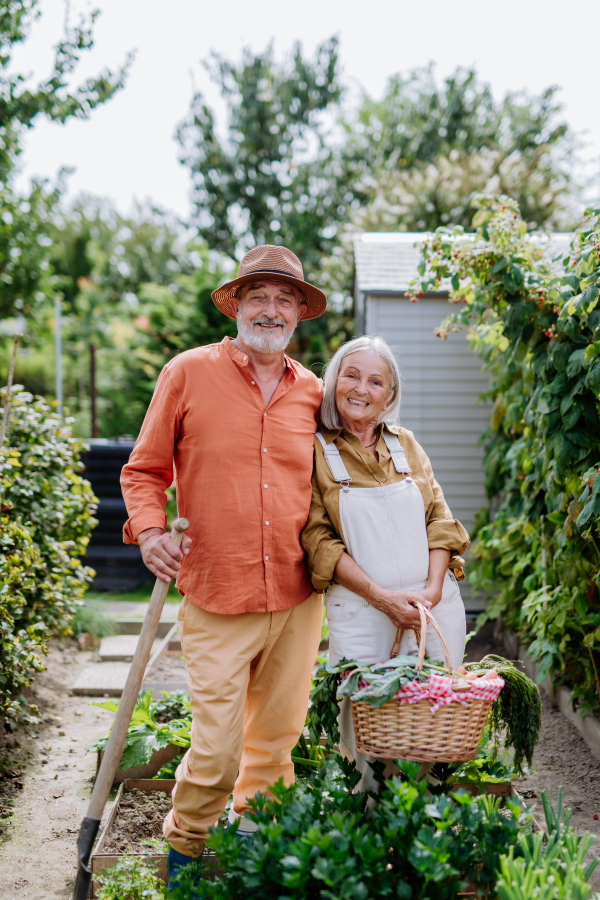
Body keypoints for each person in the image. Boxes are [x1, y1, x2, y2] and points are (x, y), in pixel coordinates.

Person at [120, 245, 326, 893]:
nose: (270, 310)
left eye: (284, 298)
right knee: (214, 750)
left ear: (299, 312)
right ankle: (183, 858)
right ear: (236, 305)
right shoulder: (187, 373)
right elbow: (143, 470)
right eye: (257, 297)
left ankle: (256, 859)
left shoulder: (314, 392)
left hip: (297, 597)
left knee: (275, 743)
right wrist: (151, 532)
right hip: (216, 590)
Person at [301, 335, 470, 788]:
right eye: (351, 375)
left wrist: (431, 592)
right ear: (333, 380)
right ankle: (375, 830)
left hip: (434, 610)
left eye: (376, 381)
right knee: (369, 737)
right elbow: (318, 539)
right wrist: (382, 598)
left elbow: (440, 518)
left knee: (438, 724)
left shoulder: (406, 444)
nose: (361, 388)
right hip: (362, 611)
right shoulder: (315, 450)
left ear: (389, 395)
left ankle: (431, 825)